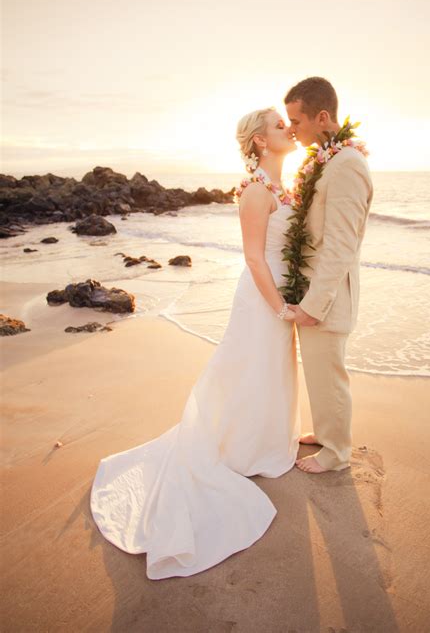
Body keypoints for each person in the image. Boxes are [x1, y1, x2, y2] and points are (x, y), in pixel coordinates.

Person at [90, 107, 301, 579]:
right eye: (279, 125)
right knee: (247, 367)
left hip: (279, 296)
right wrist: (281, 307)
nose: (289, 127)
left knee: (269, 369)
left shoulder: (282, 189)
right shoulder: (253, 191)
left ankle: (263, 442)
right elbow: (252, 257)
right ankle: (237, 447)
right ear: (261, 142)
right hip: (262, 300)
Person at [284, 77, 373, 474]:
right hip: (313, 291)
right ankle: (324, 432)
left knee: (330, 374)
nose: (292, 130)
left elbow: (341, 245)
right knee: (318, 370)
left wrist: (315, 304)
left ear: (322, 117)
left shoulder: (347, 165)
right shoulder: (327, 160)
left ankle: (337, 453)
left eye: (297, 121)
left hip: (329, 296)